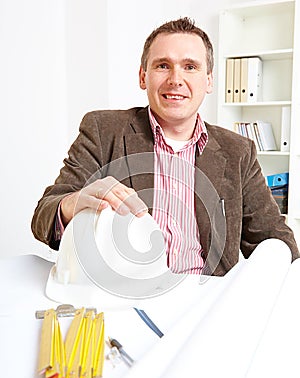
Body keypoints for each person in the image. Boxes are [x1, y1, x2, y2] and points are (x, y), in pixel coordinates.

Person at [31, 17, 299, 276]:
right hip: (125, 296)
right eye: (162, 65)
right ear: (142, 76)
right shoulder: (103, 130)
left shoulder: (238, 151)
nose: (175, 79)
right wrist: (74, 203)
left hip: (206, 300)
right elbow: (43, 217)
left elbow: (276, 241)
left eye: (190, 67)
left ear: (209, 81)